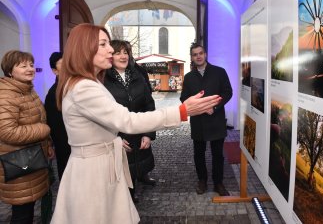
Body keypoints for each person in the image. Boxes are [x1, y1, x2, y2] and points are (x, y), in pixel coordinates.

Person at [50, 23, 221, 224]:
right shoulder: (84, 88)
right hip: (93, 173)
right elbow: (128, 120)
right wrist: (182, 111)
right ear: (84, 49)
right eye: (103, 44)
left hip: (100, 164)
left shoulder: (90, 82)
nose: (111, 50)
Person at [0, 50, 55, 223]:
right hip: (19, 163)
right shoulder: (6, 95)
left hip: (32, 158)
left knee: (28, 208)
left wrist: (48, 145)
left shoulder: (27, 90)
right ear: (9, 71)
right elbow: (7, 132)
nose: (29, 69)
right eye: (23, 66)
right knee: (22, 212)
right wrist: (44, 130)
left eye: (31, 65)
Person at [104, 40, 157, 203]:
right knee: (117, 177)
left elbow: (149, 105)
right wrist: (115, 138)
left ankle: (131, 201)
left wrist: (148, 134)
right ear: (110, 56)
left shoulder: (138, 77)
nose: (123, 56)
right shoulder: (103, 80)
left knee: (135, 171)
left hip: (138, 134)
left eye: (125, 52)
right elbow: (102, 116)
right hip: (118, 137)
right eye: (118, 52)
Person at [180, 44, 233, 196]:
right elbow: (183, 97)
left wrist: (214, 107)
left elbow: (228, 92)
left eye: (200, 53)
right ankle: (202, 180)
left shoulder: (219, 72)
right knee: (199, 154)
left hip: (216, 120)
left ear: (206, 54)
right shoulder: (189, 77)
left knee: (218, 154)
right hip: (198, 122)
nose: (198, 56)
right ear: (192, 57)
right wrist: (199, 107)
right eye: (195, 54)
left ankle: (218, 183)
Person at [44, 52, 71, 181]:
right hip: (67, 147)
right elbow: (56, 127)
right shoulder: (54, 93)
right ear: (55, 71)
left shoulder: (74, 85)